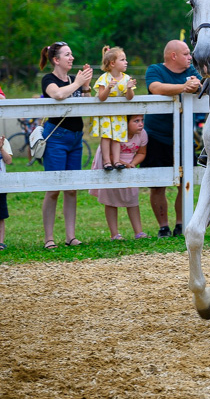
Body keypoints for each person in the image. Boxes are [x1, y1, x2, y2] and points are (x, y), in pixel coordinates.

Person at [144, 40, 201, 236]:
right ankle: (163, 227)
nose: (190, 57)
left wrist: (195, 85)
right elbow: (156, 88)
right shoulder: (155, 69)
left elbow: (201, 84)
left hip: (185, 136)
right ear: (173, 56)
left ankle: (180, 224)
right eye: (185, 53)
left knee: (186, 181)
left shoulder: (192, 69)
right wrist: (184, 87)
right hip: (157, 136)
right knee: (157, 184)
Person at [39, 42, 93, 250]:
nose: (72, 58)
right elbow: (58, 95)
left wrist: (85, 84)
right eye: (67, 55)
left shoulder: (73, 80)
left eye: (72, 54)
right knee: (53, 189)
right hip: (56, 138)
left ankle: (71, 236)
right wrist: (78, 82)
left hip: (76, 138)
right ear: (56, 60)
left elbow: (87, 104)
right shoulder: (48, 79)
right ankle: (49, 238)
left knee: (71, 189)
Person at [90, 114, 148, 239]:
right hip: (112, 165)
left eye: (142, 120)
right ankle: (114, 233)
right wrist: (123, 164)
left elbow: (142, 152)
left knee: (132, 197)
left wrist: (132, 164)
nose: (141, 124)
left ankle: (139, 232)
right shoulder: (116, 132)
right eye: (136, 121)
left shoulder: (142, 134)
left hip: (129, 167)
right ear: (125, 123)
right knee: (110, 199)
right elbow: (109, 154)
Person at [91, 46, 137, 170]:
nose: (126, 62)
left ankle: (116, 161)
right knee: (106, 137)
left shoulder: (126, 78)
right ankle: (107, 161)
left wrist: (128, 88)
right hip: (105, 114)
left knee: (117, 138)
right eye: (122, 60)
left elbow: (129, 97)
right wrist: (108, 88)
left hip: (119, 114)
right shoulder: (104, 78)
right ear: (112, 63)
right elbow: (101, 97)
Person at [0, 134, 13, 250]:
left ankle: (0, 242)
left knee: (1, 215)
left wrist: (1, 148)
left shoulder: (4, 142)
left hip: (1, 185)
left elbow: (8, 161)